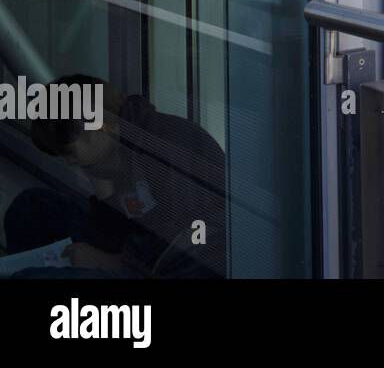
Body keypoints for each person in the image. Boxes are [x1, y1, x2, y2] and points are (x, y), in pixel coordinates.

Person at [3, 75, 227, 278]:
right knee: (33, 206)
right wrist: (104, 190)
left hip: (170, 266)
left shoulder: (165, 147)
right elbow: (121, 226)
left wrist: (108, 262)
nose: (69, 161)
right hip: (137, 248)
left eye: (68, 151)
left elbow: (184, 243)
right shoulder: (114, 149)